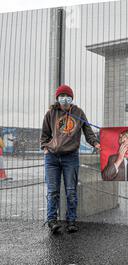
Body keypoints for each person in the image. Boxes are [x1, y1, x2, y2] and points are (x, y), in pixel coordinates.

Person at [40, 84, 101, 234]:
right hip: (52, 158)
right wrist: (45, 148)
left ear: (72, 98)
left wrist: (96, 143)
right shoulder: (50, 113)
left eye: (68, 96)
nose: (65, 99)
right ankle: (52, 220)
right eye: (62, 96)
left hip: (70, 157)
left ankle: (71, 220)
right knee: (53, 191)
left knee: (71, 191)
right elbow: (44, 135)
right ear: (58, 98)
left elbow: (88, 132)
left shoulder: (78, 113)